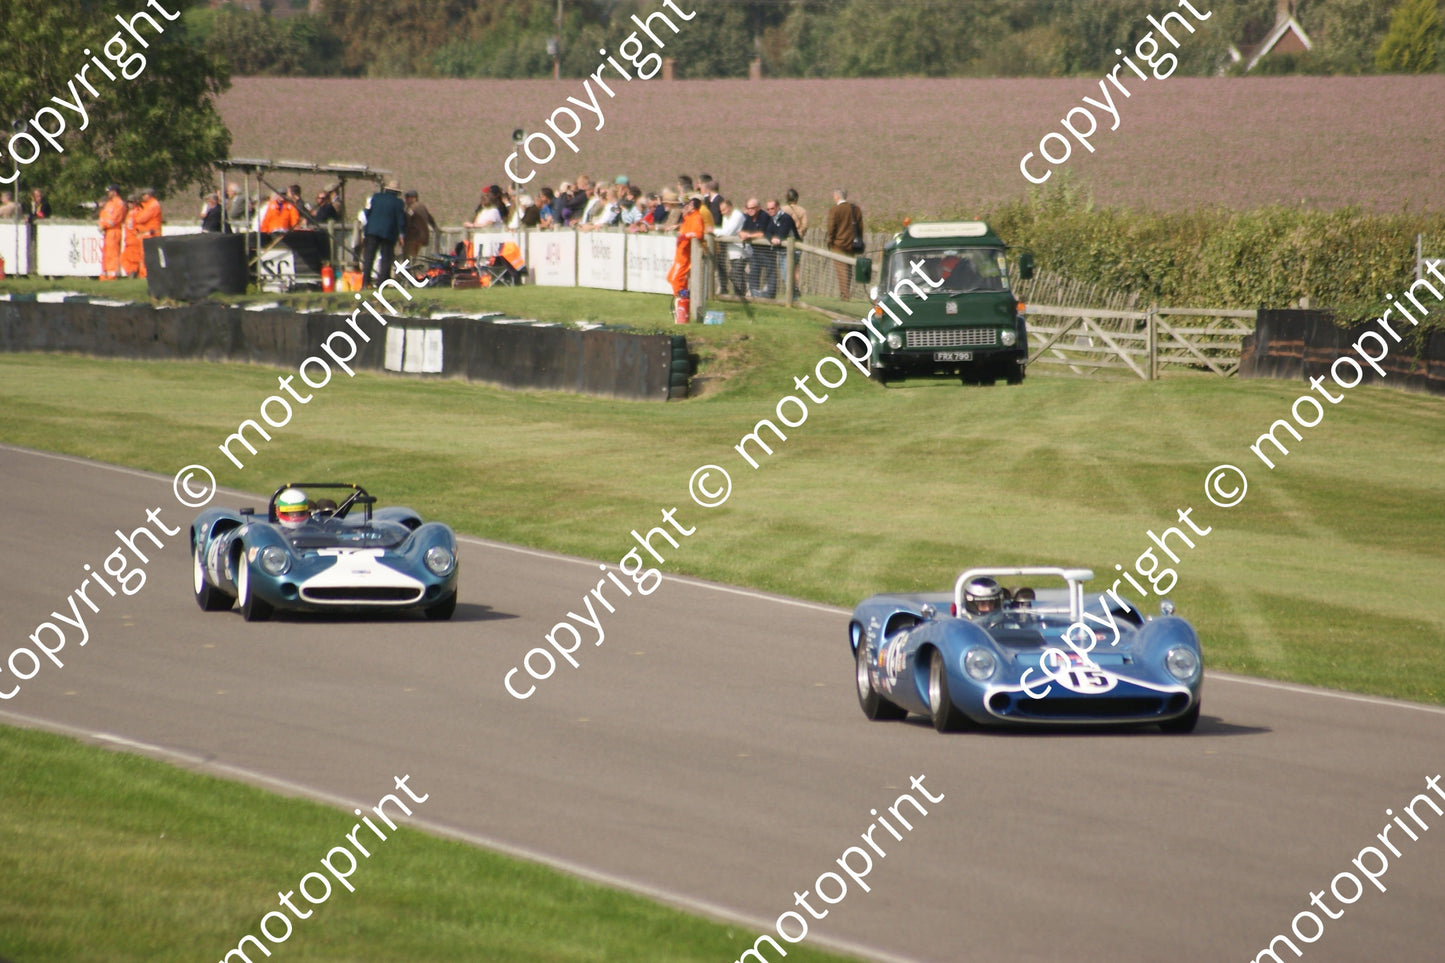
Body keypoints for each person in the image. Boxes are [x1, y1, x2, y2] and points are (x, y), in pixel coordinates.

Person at [361, 178, 406, 288]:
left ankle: (365, 283)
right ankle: (381, 283)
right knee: (386, 259)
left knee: (369, 258)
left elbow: (367, 212)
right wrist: (402, 235)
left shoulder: (376, 197)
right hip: (388, 233)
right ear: (397, 192)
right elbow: (401, 221)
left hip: (372, 231)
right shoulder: (398, 203)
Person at [825, 188, 863, 297]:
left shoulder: (835, 210)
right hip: (852, 244)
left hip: (838, 245)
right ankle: (846, 292)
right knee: (848, 270)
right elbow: (860, 228)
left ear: (837, 196)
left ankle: (845, 295)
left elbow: (831, 228)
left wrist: (830, 241)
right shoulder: (856, 209)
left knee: (841, 271)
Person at [667, 196, 706, 299]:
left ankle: (681, 301)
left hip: (685, 255)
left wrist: (685, 235)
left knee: (675, 279)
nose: (686, 207)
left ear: (693, 207)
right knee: (673, 278)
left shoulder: (697, 217)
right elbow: (688, 227)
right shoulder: (689, 217)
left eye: (689, 205)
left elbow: (699, 233)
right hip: (680, 254)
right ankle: (682, 300)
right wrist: (678, 226)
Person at [763, 198, 797, 299]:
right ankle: (792, 297)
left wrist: (775, 238)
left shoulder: (785, 218)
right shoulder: (772, 218)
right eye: (768, 209)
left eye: (772, 208)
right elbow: (767, 232)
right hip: (782, 251)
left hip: (792, 251)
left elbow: (782, 234)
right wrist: (772, 238)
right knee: (785, 275)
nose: (770, 211)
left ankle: (792, 299)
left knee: (787, 275)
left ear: (778, 207)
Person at [738, 197, 768, 297]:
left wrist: (749, 236)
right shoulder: (748, 217)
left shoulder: (764, 216)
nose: (750, 210)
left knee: (769, 274)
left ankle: (768, 295)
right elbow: (741, 230)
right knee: (753, 273)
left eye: (752, 208)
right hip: (754, 251)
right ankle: (753, 294)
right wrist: (742, 234)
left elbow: (762, 233)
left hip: (766, 252)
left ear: (758, 208)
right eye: (748, 208)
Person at [716, 197, 746, 296]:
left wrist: (713, 231)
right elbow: (724, 232)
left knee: (735, 274)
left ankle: (740, 295)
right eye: (721, 211)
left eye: (724, 210)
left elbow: (728, 232)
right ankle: (738, 296)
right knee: (736, 274)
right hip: (732, 251)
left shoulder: (738, 215)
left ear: (730, 207)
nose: (722, 213)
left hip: (741, 250)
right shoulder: (726, 217)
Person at [97, 185, 127, 281]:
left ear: (115, 192)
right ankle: (104, 274)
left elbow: (114, 219)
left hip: (114, 231)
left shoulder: (119, 203)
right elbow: (103, 215)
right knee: (106, 253)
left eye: (110, 191)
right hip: (107, 231)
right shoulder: (109, 203)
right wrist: (101, 224)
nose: (108, 193)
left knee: (112, 254)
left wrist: (104, 225)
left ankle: (112, 275)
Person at [132, 187, 162, 277]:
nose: (142, 197)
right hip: (146, 234)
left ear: (149, 195)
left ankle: (147, 274)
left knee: (148, 255)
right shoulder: (147, 205)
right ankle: (143, 274)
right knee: (143, 256)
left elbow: (141, 218)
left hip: (151, 234)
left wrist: (137, 216)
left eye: (144, 195)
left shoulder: (153, 205)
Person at [403, 189, 438, 259]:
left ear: (414, 198)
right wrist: (435, 228)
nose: (405, 200)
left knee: (407, 257)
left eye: (407, 197)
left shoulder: (412, 208)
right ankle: (413, 268)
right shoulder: (422, 206)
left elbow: (407, 220)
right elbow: (430, 219)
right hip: (423, 237)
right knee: (414, 256)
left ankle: (407, 269)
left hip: (413, 236)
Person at [120, 194, 143, 278]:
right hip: (129, 240)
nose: (130, 204)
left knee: (133, 259)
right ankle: (132, 272)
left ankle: (133, 273)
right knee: (124, 258)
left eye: (132, 202)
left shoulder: (138, 212)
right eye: (129, 202)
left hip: (134, 240)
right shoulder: (130, 213)